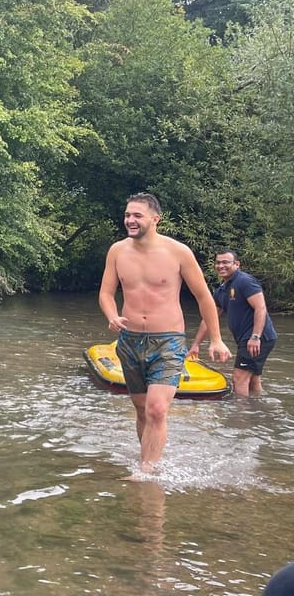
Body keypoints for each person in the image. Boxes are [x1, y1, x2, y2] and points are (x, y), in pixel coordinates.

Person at [98, 192, 231, 475]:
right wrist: (112, 315)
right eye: (127, 215)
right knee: (142, 408)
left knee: (157, 409)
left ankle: (146, 472)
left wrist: (216, 339)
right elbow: (106, 294)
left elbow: (204, 297)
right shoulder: (117, 251)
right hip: (129, 340)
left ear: (155, 219)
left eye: (137, 216)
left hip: (168, 341)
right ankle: (146, 459)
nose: (130, 220)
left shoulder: (178, 252)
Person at [188, 250, 278, 396]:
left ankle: (240, 415)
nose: (221, 266)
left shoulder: (245, 281)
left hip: (258, 338)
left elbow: (260, 307)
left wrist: (255, 337)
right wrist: (196, 344)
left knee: (239, 378)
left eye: (226, 262)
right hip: (246, 339)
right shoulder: (221, 290)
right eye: (218, 262)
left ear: (237, 264)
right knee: (252, 379)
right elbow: (209, 318)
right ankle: (259, 411)